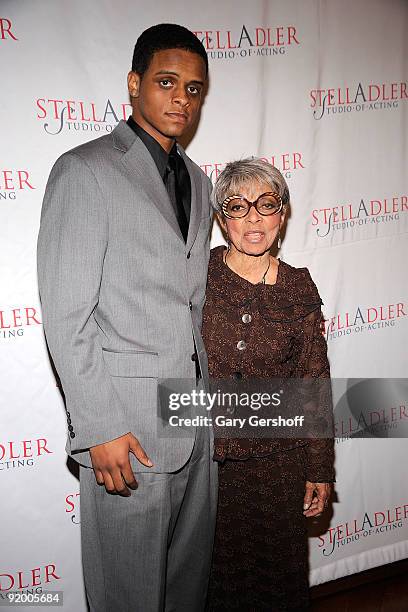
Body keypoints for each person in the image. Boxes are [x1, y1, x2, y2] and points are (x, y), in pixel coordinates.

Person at [37, 23, 217, 612]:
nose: (180, 100)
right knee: (128, 596)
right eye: (167, 82)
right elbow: (68, 314)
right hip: (127, 430)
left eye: (193, 89)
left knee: (186, 590)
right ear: (135, 85)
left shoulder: (198, 180)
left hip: (195, 419)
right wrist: (98, 428)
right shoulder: (85, 170)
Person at [202, 158, 335, 611]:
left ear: (283, 213)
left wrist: (319, 468)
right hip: (207, 462)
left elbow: (313, 380)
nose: (253, 217)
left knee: (277, 584)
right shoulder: (197, 277)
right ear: (222, 220)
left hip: (281, 462)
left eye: (266, 204)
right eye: (237, 207)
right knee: (211, 584)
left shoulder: (299, 287)